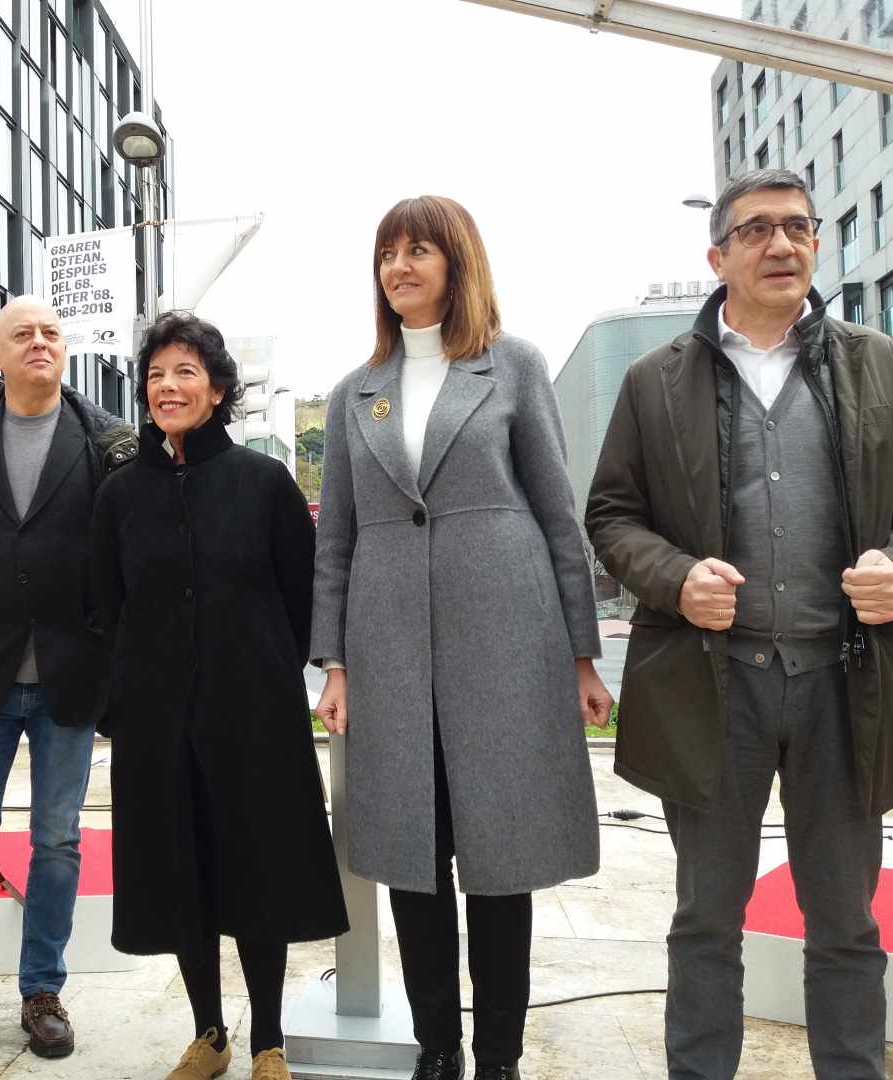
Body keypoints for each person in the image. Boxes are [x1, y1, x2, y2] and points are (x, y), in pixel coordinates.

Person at [585, 168, 893, 1080]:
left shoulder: (876, 362)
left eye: (798, 227)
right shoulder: (655, 381)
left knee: (845, 919)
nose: (782, 245)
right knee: (706, 919)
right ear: (717, 256)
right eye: (757, 230)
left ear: (817, 246)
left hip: (845, 684)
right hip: (715, 691)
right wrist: (675, 578)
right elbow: (609, 515)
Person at [311, 196, 611, 1080]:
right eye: (387, 254)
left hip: (505, 640)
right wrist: (334, 664)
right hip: (386, 649)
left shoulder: (512, 366)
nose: (399, 267)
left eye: (418, 251)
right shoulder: (353, 391)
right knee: (410, 854)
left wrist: (581, 654)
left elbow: (559, 513)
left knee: (499, 854)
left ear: (456, 262)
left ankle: (501, 1059)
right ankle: (438, 1049)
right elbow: (337, 538)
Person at [89, 311, 348, 1080]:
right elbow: (102, 609)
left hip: (254, 716)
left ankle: (267, 1037)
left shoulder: (263, 482)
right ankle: (209, 1032)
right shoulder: (119, 496)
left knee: (256, 871)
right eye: (157, 374)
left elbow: (303, 596)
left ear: (219, 388)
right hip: (156, 720)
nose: (168, 387)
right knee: (181, 876)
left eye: (186, 373)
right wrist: (119, 704)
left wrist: (279, 671)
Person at [0, 295, 138, 1074]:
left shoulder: (110, 443)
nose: (39, 343)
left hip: (71, 676)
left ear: (63, 350)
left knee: (57, 840)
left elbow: (120, 549)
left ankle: (43, 993)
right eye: (23, 335)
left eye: (50, 333)